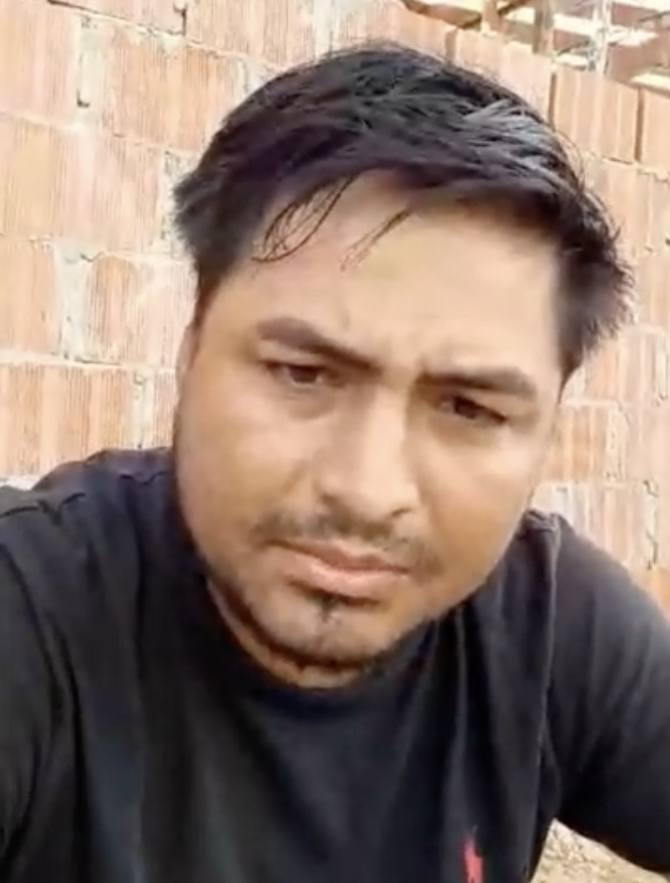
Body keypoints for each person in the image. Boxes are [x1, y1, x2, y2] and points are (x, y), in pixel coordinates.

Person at [0, 41, 668, 883]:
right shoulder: (31, 614)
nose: (365, 489)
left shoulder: (548, 628)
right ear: (190, 351)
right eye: (304, 373)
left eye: (468, 408)